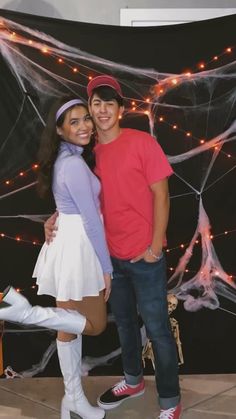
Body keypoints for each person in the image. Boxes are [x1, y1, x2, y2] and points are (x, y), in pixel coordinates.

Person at [45, 76, 181, 419]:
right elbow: (85, 198)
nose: (101, 110)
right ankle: (133, 380)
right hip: (108, 257)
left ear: (121, 109)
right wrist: (56, 215)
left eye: (109, 103)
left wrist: (153, 247)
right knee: (122, 324)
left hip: (144, 256)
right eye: (96, 104)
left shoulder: (142, 143)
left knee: (158, 330)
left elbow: (162, 196)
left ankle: (170, 401)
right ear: (90, 110)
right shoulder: (91, 152)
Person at [0, 97, 113, 419]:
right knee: (95, 325)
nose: (85, 126)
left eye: (86, 119)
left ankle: (73, 400)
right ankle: (27, 313)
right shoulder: (74, 162)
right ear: (60, 131)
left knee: (69, 329)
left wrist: (56, 215)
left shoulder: (66, 158)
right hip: (80, 245)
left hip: (69, 239)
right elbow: (91, 218)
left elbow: (71, 201)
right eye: (74, 122)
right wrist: (106, 269)